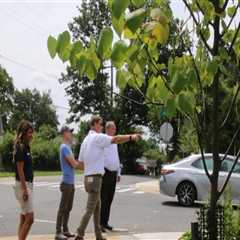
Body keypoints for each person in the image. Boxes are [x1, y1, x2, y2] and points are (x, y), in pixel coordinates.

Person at [75, 115, 141, 240]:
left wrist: (91, 168)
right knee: (90, 209)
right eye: (100, 124)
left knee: (97, 208)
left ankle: (98, 235)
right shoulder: (98, 137)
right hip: (95, 178)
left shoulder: (85, 140)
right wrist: (131, 137)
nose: (101, 126)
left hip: (87, 178)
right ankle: (79, 233)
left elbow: (81, 163)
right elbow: (115, 139)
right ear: (94, 124)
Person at [55, 126, 84, 240]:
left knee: (68, 208)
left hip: (70, 182)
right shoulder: (64, 147)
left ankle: (65, 230)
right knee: (63, 208)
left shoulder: (68, 147)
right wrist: (86, 165)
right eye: (69, 132)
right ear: (64, 134)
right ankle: (58, 232)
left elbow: (75, 163)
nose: (72, 134)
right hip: (66, 182)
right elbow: (74, 164)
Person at [13, 120, 34, 240]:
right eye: (29, 133)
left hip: (27, 185)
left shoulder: (26, 147)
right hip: (23, 185)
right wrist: (25, 189)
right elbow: (20, 170)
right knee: (30, 218)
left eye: (31, 132)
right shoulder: (20, 147)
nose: (31, 135)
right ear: (23, 133)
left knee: (24, 217)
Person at [100, 121, 121, 232]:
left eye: (115, 129)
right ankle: (100, 224)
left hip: (113, 173)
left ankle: (105, 222)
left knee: (109, 199)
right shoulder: (104, 140)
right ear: (108, 129)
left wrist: (118, 172)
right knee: (103, 199)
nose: (115, 131)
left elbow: (116, 157)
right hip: (105, 172)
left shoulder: (115, 142)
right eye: (113, 129)